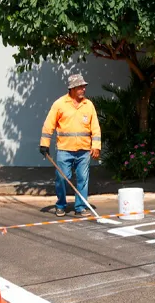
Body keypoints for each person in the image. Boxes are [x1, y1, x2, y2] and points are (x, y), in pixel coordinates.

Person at [39, 74, 102, 217]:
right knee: (62, 178)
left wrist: (96, 146)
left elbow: (96, 128)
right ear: (72, 88)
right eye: (80, 87)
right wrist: (44, 144)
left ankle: (80, 207)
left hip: (84, 150)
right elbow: (49, 125)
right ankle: (60, 205)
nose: (83, 89)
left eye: (84, 86)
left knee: (82, 179)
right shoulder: (59, 104)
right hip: (64, 150)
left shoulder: (88, 105)